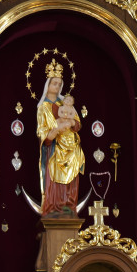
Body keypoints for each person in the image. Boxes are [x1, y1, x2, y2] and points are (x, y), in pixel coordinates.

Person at [37, 60, 84, 217]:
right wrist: (54, 131)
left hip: (70, 147)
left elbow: (77, 123)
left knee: (71, 176)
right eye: (54, 83)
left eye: (59, 84)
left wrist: (71, 123)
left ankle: (68, 205)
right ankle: (54, 207)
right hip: (54, 149)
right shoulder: (43, 108)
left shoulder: (65, 103)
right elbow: (42, 131)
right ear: (48, 85)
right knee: (54, 178)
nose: (56, 87)